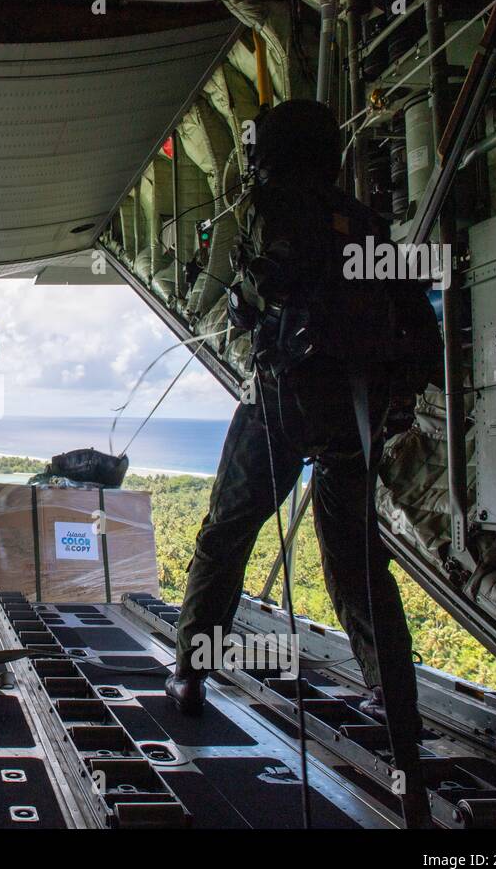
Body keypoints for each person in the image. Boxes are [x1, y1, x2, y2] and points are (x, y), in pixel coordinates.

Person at [165, 100, 442, 825]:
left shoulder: (273, 207)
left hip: (282, 406)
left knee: (227, 532)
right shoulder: (370, 225)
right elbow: (420, 326)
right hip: (355, 417)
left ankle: (191, 673)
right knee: (354, 561)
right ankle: (397, 716)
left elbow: (260, 295)